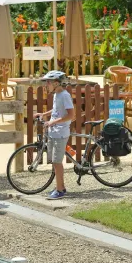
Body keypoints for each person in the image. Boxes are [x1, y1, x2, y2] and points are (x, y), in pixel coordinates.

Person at [39, 70, 75, 200]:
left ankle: (60, 190)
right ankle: (61, 186)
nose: (46, 85)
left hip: (60, 132)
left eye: (48, 82)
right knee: (54, 162)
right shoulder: (56, 95)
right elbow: (56, 111)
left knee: (57, 162)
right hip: (54, 132)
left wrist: (53, 121)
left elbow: (71, 115)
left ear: (56, 83)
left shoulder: (64, 95)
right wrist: (44, 115)